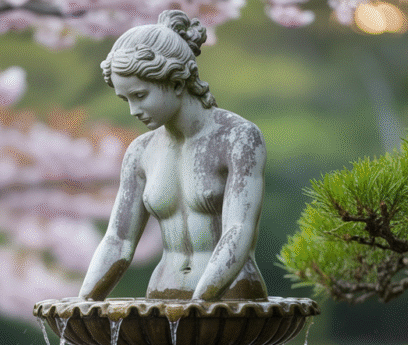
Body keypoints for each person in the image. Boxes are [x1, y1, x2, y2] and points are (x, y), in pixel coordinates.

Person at [78, 10, 269, 302]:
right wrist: (85, 303)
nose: (133, 110)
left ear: (177, 84)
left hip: (229, 299)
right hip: (163, 294)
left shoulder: (237, 137)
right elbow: (119, 240)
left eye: (140, 96)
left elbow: (238, 229)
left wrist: (199, 303)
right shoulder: (141, 152)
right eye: (125, 99)